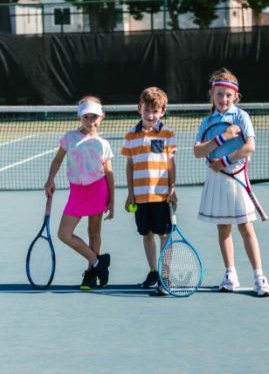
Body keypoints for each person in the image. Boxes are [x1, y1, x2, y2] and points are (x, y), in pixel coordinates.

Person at [193, 68, 269, 297]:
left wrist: (225, 160)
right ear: (212, 94)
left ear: (235, 96)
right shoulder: (207, 121)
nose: (224, 99)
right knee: (223, 227)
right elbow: (198, 152)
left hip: (236, 176)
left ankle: (259, 277)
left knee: (246, 227)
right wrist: (222, 138)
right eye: (219, 94)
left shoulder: (241, 116)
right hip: (217, 179)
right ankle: (231, 274)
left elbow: (250, 146)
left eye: (228, 95)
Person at [44, 96, 114, 289]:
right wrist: (50, 179)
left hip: (98, 189)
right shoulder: (69, 138)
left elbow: (109, 173)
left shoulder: (104, 144)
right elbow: (57, 160)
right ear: (79, 117)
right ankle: (99, 262)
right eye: (86, 117)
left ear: (102, 117)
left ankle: (91, 273)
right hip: (77, 192)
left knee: (94, 233)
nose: (90, 121)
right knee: (64, 234)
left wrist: (113, 201)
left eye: (94, 116)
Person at [120, 87, 177, 295]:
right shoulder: (130, 135)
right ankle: (154, 271)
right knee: (147, 235)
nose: (151, 115)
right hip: (140, 197)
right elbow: (130, 165)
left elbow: (170, 164)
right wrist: (130, 193)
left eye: (155, 111)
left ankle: (165, 276)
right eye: (147, 110)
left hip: (161, 195)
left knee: (164, 236)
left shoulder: (167, 133)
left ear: (163, 111)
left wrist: (172, 189)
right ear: (139, 109)